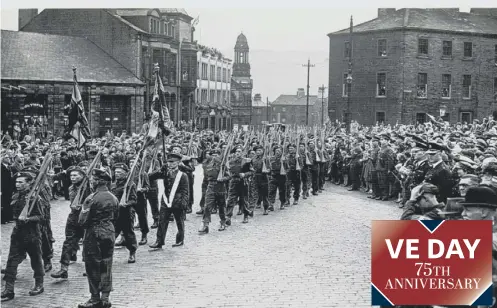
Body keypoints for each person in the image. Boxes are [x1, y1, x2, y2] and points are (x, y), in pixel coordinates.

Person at [1, 172, 45, 302]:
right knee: (11, 261)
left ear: (29, 183)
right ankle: (9, 289)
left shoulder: (35, 198)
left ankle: (39, 284)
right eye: (16, 182)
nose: (17, 184)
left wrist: (28, 219)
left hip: (31, 234)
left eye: (21, 182)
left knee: (36, 260)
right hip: (18, 233)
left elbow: (41, 217)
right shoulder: (16, 196)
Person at [78, 168, 119, 308]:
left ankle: (95, 298)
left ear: (96, 182)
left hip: (93, 233)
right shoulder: (113, 197)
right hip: (109, 230)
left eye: (91, 180)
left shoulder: (91, 198)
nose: (90, 183)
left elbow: (82, 221)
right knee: (107, 264)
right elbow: (117, 216)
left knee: (93, 266)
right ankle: (105, 297)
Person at [51, 166, 91, 279]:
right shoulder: (70, 188)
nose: (72, 178)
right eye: (71, 175)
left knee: (88, 243)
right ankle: (64, 269)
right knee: (68, 242)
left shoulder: (89, 187)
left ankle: (90, 267)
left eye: (75, 175)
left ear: (83, 176)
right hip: (73, 217)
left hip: (86, 218)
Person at [149, 153, 189, 249]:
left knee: (179, 221)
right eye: (169, 162)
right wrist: (160, 170)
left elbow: (185, 191)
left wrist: (184, 203)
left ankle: (180, 239)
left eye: (172, 162)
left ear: (178, 163)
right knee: (162, 221)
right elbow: (150, 177)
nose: (170, 164)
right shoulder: (165, 172)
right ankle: (159, 241)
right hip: (166, 200)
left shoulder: (183, 175)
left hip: (177, 200)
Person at [110, 163, 138, 263]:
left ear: (126, 173)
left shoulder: (130, 185)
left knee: (129, 234)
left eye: (120, 172)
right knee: (111, 235)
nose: (117, 174)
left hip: (126, 213)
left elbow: (134, 200)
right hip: (114, 214)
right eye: (116, 172)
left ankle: (132, 253)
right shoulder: (112, 184)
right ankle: (106, 256)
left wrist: (126, 204)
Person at [198, 149, 230, 233]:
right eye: (213, 155)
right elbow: (206, 178)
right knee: (207, 206)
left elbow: (229, 176)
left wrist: (222, 178)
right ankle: (205, 225)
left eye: (216, 155)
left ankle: (223, 222)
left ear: (219, 155)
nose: (215, 157)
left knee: (221, 207)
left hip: (221, 188)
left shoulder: (223, 165)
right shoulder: (208, 165)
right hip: (211, 187)